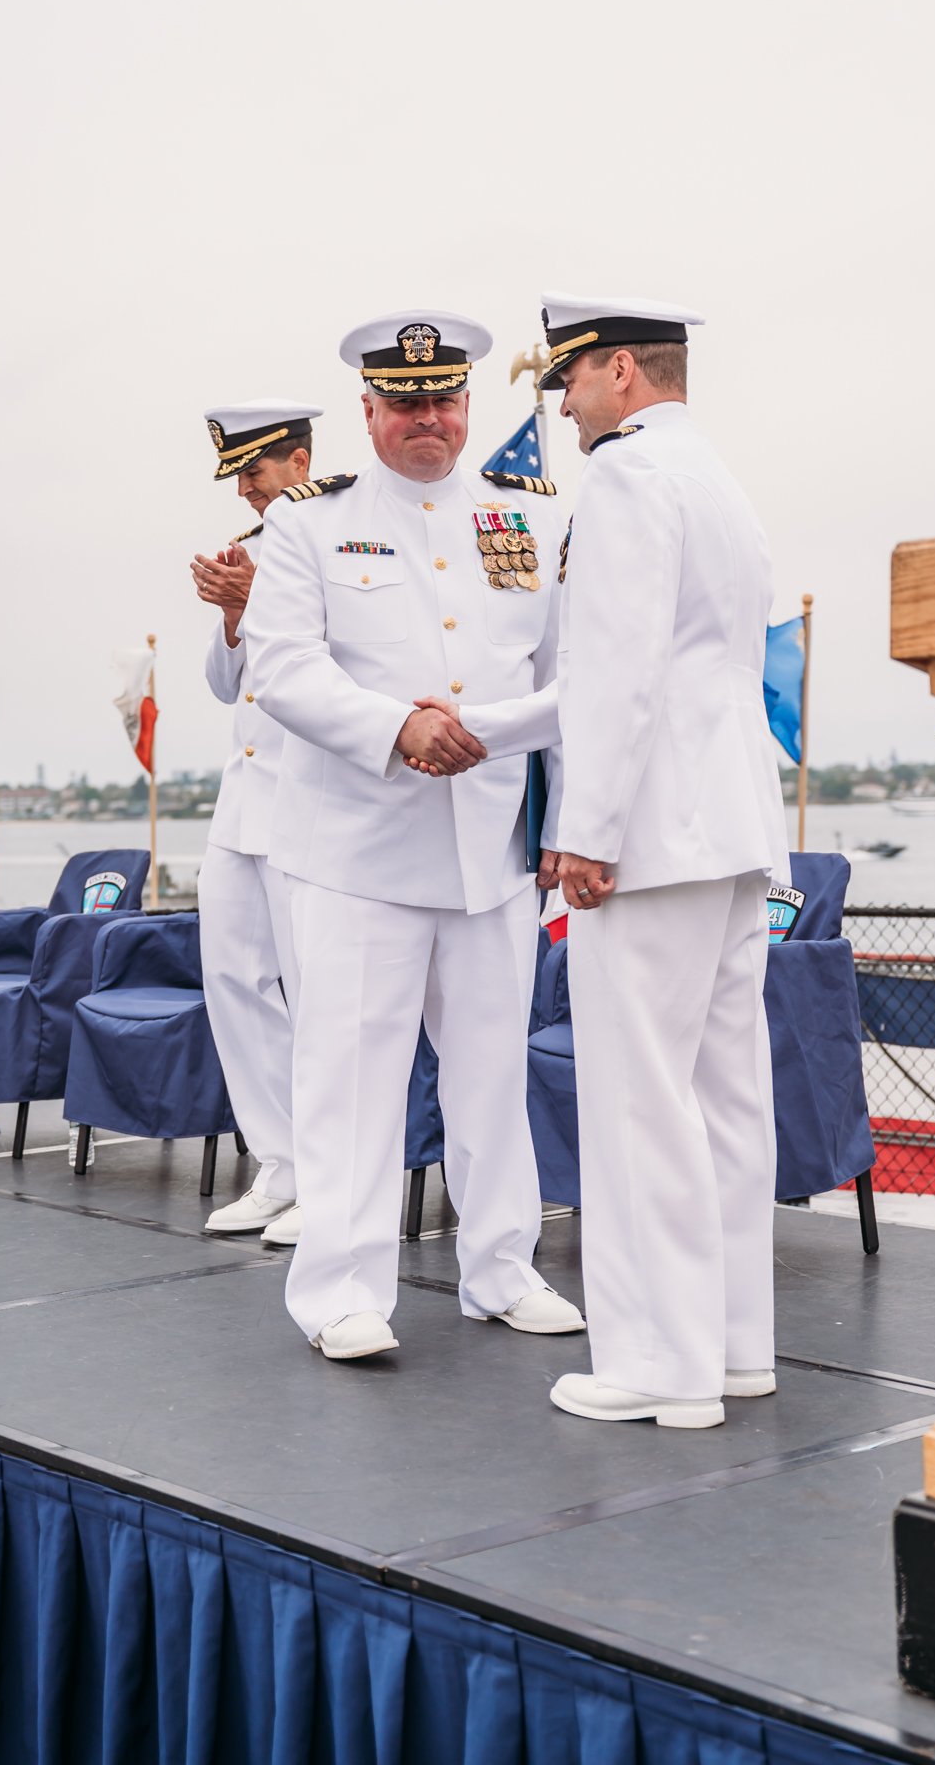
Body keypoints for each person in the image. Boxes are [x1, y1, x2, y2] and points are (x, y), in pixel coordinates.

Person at [244, 311, 584, 1361]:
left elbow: (568, 681)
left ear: (469, 405)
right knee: (350, 1074)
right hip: (358, 851)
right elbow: (284, 669)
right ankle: (341, 1292)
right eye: (404, 402)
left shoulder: (528, 515)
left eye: (443, 400)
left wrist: (567, 828)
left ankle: (501, 1267)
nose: (426, 419)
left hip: (491, 850)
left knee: (490, 1069)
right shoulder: (306, 524)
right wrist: (399, 729)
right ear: (369, 412)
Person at [533, 297, 789, 1428]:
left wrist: (584, 828)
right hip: (730, 820)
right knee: (728, 1092)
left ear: (622, 370)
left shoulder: (628, 479)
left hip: (650, 827)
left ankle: (659, 1366)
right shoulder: (720, 478)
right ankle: (735, 1347)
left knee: (642, 1099)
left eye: (572, 379)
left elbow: (620, 670)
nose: (566, 401)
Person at [190, 400, 324, 1247]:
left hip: (309, 801)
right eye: (239, 470)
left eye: (261, 465)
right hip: (242, 802)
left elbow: (337, 660)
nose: (248, 482)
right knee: (233, 982)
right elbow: (223, 681)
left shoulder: (335, 538)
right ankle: (279, 1163)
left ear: (303, 461)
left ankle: (330, 1172)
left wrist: (258, 600)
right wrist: (235, 611)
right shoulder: (253, 550)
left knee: (316, 996)